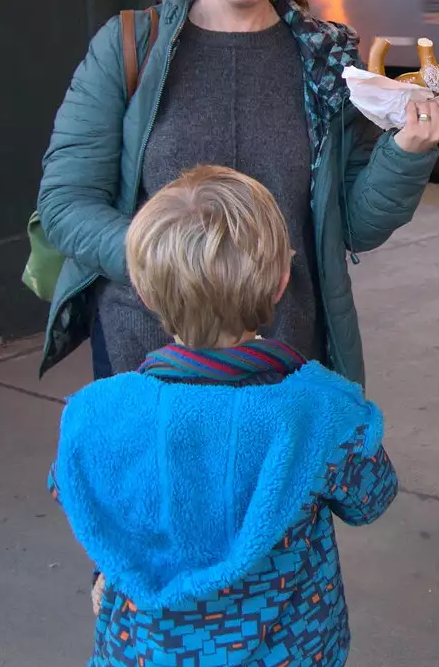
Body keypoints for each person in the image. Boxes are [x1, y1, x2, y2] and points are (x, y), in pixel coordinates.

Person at [36, 0, 439, 384]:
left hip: (285, 357)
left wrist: (406, 154)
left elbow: (355, 226)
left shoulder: (326, 60)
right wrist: (174, 270)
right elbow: (65, 204)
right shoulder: (129, 47)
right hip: (146, 351)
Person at [49, 164, 398, 666]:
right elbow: (372, 498)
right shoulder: (320, 413)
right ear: (281, 283)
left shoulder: (95, 414)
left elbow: (76, 494)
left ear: (144, 292)